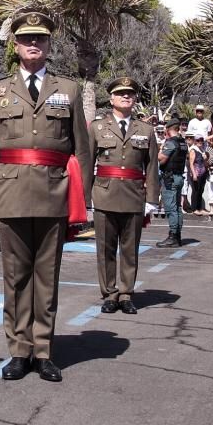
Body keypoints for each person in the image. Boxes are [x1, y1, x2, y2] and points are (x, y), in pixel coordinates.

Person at [0, 11, 93, 382]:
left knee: (47, 277)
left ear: (48, 44)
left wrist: (84, 199)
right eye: (27, 38)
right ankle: (18, 351)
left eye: (40, 38)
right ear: (15, 44)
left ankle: (43, 351)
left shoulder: (68, 90)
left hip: (53, 192)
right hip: (10, 193)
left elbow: (82, 149)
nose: (33, 44)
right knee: (14, 277)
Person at [88, 77, 159, 316]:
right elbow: (87, 164)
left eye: (130, 93)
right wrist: (84, 198)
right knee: (105, 249)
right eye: (121, 94)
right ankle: (109, 293)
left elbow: (151, 168)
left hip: (133, 196)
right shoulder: (97, 128)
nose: (126, 96)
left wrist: (151, 199)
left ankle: (126, 293)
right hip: (105, 195)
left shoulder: (146, 130)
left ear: (135, 99)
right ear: (111, 99)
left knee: (130, 249)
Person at [156, 119, 187, 248]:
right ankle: (177, 235)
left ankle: (173, 236)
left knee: (171, 208)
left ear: (168, 129)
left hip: (170, 177)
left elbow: (161, 159)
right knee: (178, 208)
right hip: (178, 176)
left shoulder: (170, 143)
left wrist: (158, 150)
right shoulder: (183, 142)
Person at [188, 135, 209, 215]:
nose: (200, 142)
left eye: (201, 140)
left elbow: (206, 163)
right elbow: (191, 163)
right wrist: (194, 174)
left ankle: (200, 208)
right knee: (195, 191)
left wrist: (206, 159)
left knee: (201, 191)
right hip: (196, 173)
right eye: (198, 140)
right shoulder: (193, 150)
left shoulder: (202, 150)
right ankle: (194, 208)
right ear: (195, 141)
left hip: (203, 173)